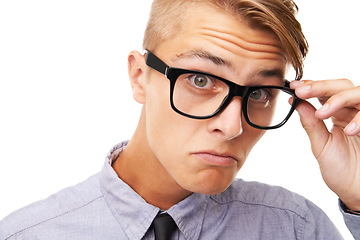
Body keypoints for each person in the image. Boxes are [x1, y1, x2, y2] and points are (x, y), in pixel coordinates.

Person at [1, 0, 360, 239]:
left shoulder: (296, 228)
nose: (233, 125)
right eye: (201, 80)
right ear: (139, 76)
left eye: (259, 93)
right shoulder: (29, 233)